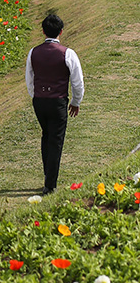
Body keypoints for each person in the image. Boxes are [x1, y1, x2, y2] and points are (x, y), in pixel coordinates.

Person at [26, 12, 84, 194]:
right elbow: (77, 81)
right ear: (61, 31)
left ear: (43, 31)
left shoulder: (33, 52)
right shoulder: (68, 53)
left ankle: (48, 175)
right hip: (58, 101)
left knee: (46, 135)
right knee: (56, 140)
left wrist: (34, 95)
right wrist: (76, 101)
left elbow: (30, 78)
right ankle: (50, 184)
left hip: (39, 101)